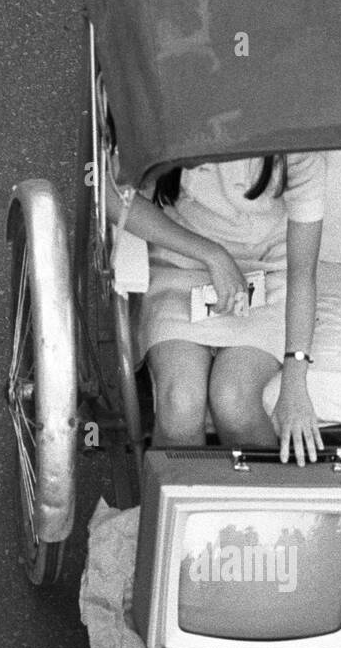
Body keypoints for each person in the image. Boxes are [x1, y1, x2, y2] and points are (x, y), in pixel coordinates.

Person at [103, 152, 326, 466]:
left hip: (268, 272)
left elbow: (303, 273)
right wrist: (213, 255)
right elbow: (112, 195)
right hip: (179, 263)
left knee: (234, 399)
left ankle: (267, 512)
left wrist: (295, 379)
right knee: (179, 403)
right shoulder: (175, 113)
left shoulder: (298, 147)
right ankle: (177, 510)